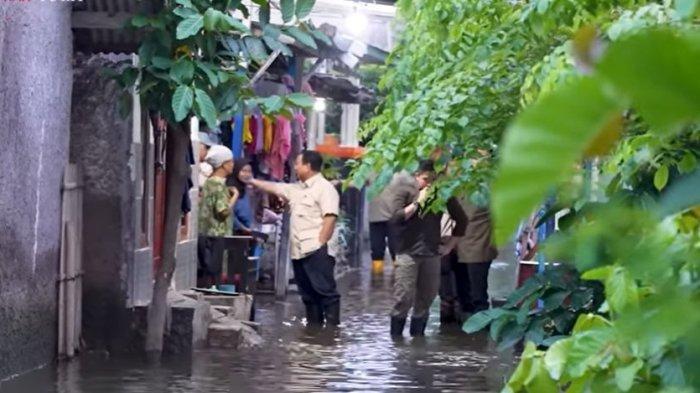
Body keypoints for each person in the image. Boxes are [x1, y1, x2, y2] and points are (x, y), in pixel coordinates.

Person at [244, 151, 341, 327]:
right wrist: (251, 181)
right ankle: (315, 331)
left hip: (317, 249)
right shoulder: (298, 189)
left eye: (297, 164)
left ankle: (332, 333)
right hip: (299, 250)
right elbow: (276, 188)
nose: (295, 167)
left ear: (308, 166)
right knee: (308, 295)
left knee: (325, 292)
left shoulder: (325, 189)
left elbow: (330, 218)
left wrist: (320, 243)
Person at [387, 160, 467, 337]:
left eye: (433, 179)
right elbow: (395, 218)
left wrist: (448, 246)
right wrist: (417, 203)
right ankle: (396, 340)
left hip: (432, 253)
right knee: (403, 297)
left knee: (427, 297)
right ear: (417, 176)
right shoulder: (404, 191)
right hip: (407, 252)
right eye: (425, 179)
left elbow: (462, 220)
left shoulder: (441, 194)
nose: (429, 183)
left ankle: (417, 339)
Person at [197, 145, 238, 286]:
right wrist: (235, 196)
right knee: (216, 275)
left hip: (206, 235)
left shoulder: (209, 182)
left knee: (209, 274)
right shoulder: (219, 185)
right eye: (230, 162)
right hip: (216, 236)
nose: (233, 165)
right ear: (222, 164)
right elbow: (223, 211)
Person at [452, 200, 498, 316]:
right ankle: (474, 327)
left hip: (469, 248)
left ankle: (467, 327)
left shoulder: (457, 190)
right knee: (474, 296)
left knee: (470, 296)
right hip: (469, 249)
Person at [368, 176, 399, 273]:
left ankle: (399, 278)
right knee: (376, 250)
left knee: (396, 249)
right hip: (375, 217)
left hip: (394, 217)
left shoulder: (399, 170)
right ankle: (376, 280)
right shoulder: (369, 170)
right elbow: (356, 182)